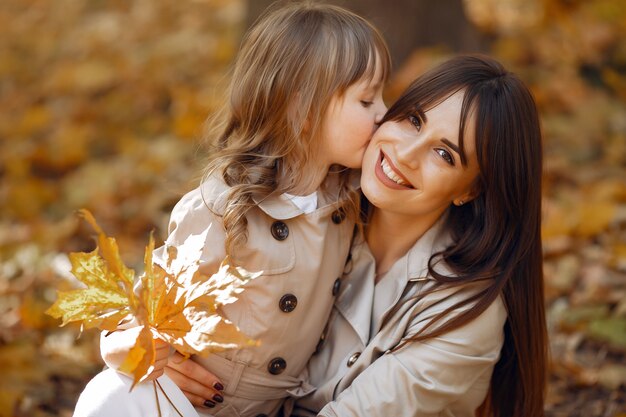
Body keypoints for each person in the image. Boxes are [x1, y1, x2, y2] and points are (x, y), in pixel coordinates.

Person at [170, 55, 548, 417]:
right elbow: (166, 289)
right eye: (413, 120)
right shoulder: (314, 205)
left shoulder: (465, 313)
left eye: (444, 155)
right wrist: (151, 356)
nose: (406, 154)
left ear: (472, 190)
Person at [73, 3, 390, 417]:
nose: (384, 113)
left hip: (269, 407)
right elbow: (138, 318)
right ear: (302, 111)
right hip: (185, 402)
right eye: (367, 100)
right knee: (112, 398)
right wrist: (130, 348)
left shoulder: (351, 198)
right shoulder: (223, 209)